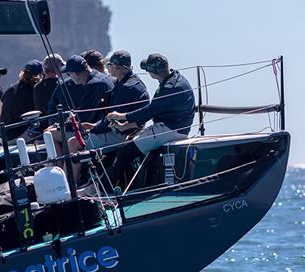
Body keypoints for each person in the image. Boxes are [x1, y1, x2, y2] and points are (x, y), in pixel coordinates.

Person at [104, 53, 196, 188]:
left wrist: (121, 116)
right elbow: (154, 111)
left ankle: (104, 189)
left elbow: (149, 111)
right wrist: (125, 127)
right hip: (169, 126)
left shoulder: (170, 88)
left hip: (170, 129)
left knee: (125, 152)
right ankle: (128, 185)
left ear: (152, 73)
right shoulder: (174, 78)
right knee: (130, 145)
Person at [65, 50, 150, 183]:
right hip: (125, 129)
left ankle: (70, 185)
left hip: (122, 134)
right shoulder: (129, 82)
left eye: (109, 64)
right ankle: (83, 181)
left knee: (73, 143)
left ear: (117, 67)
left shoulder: (126, 88)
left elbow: (113, 118)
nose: (108, 67)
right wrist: (94, 126)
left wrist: (93, 128)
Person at [45, 54, 114, 156]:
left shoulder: (94, 85)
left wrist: (59, 126)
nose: (69, 78)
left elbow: (83, 117)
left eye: (69, 74)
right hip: (99, 125)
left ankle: (58, 168)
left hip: (99, 129)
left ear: (76, 74)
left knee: (49, 134)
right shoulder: (99, 78)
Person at [0, 60, 43, 139]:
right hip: (18, 136)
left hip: (2, 137)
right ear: (39, 76)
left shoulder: (12, 87)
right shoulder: (35, 90)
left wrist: (10, 117)